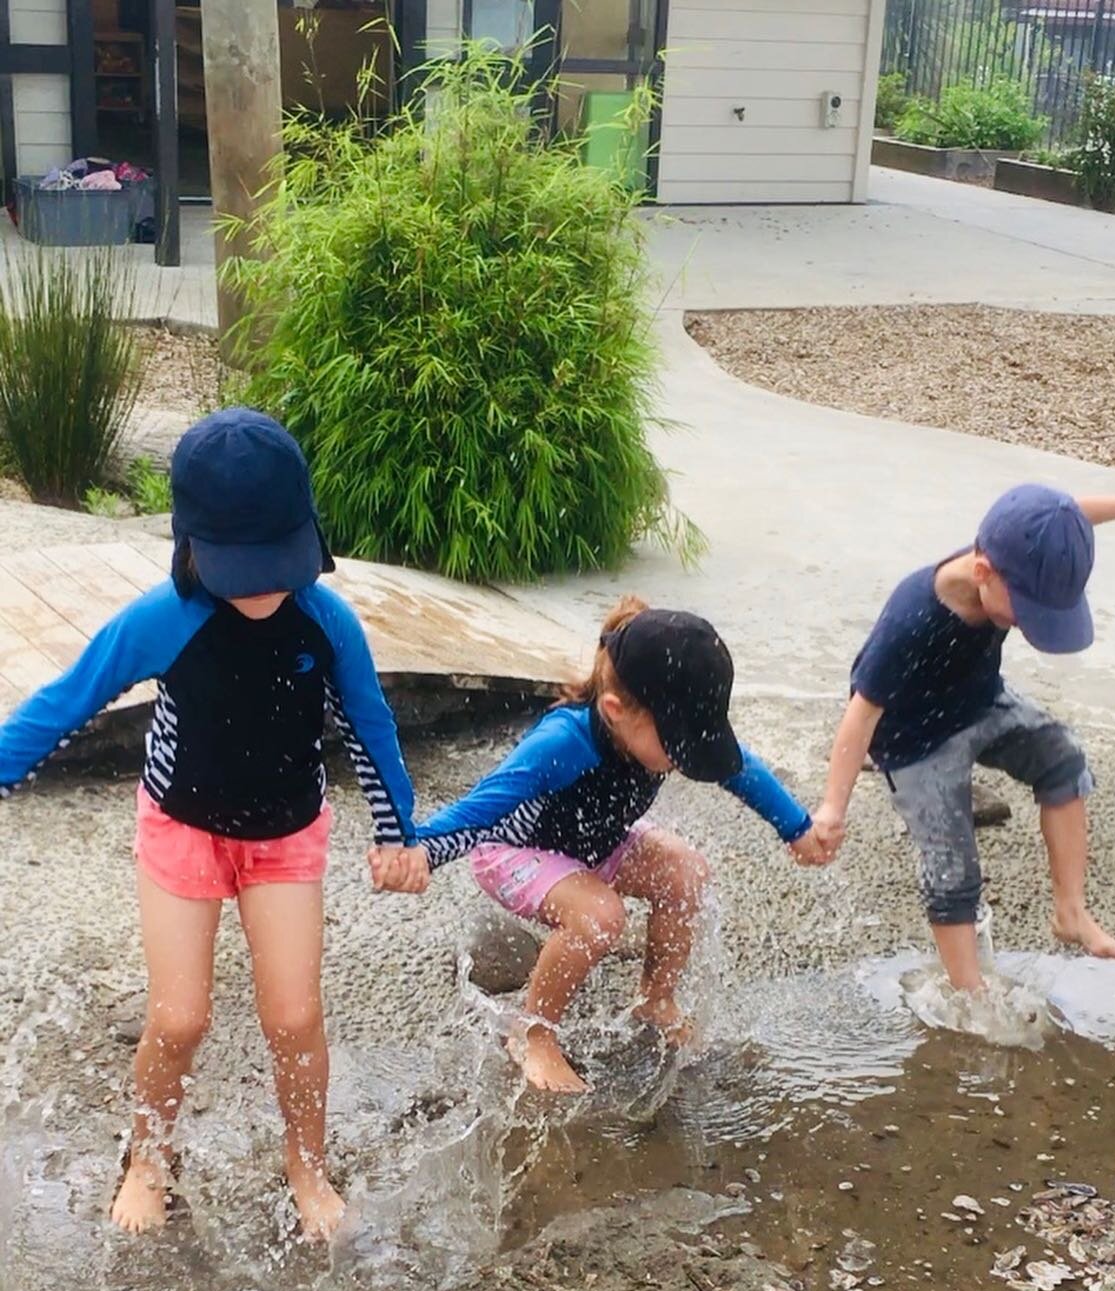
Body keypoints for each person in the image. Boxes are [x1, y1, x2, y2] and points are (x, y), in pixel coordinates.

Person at [0, 408, 428, 1240]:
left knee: (296, 1016)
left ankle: (307, 1162)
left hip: (286, 836)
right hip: (182, 831)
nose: (266, 587)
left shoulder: (326, 622)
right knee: (179, 1018)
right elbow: (64, 703)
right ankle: (149, 1157)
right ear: (191, 548)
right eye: (244, 569)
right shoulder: (162, 618)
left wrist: (396, 832)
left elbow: (369, 730)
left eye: (281, 564)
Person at [373, 597, 831, 1093]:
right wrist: (418, 849)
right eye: (679, 746)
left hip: (594, 844)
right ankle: (534, 1034)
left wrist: (797, 828)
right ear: (615, 712)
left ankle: (655, 1000)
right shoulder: (565, 741)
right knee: (600, 915)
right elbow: (484, 806)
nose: (685, 759)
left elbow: (741, 769)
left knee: (686, 872)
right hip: (513, 851)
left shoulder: (652, 724)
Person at [811, 460, 1115, 993]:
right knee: (954, 867)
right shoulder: (913, 617)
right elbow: (860, 713)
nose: (1030, 623)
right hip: (916, 745)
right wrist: (832, 806)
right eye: (1026, 610)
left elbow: (1069, 515)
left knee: (1062, 756)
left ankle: (1072, 911)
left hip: (981, 702)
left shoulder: (1012, 550)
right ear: (982, 571)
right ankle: (970, 995)